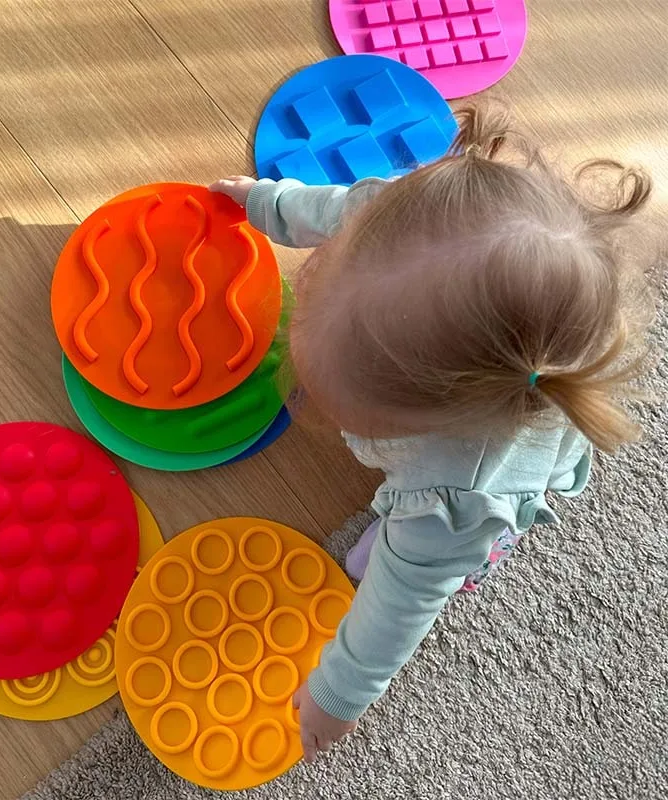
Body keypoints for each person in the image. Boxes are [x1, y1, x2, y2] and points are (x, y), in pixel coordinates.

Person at [210, 103, 655, 763]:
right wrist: (267, 204)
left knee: (413, 564)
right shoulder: (394, 225)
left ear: (424, 425)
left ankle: (491, 547)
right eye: (316, 273)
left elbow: (396, 614)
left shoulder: (454, 496)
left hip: (492, 489)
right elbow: (334, 210)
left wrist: (338, 696)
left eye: (344, 408)